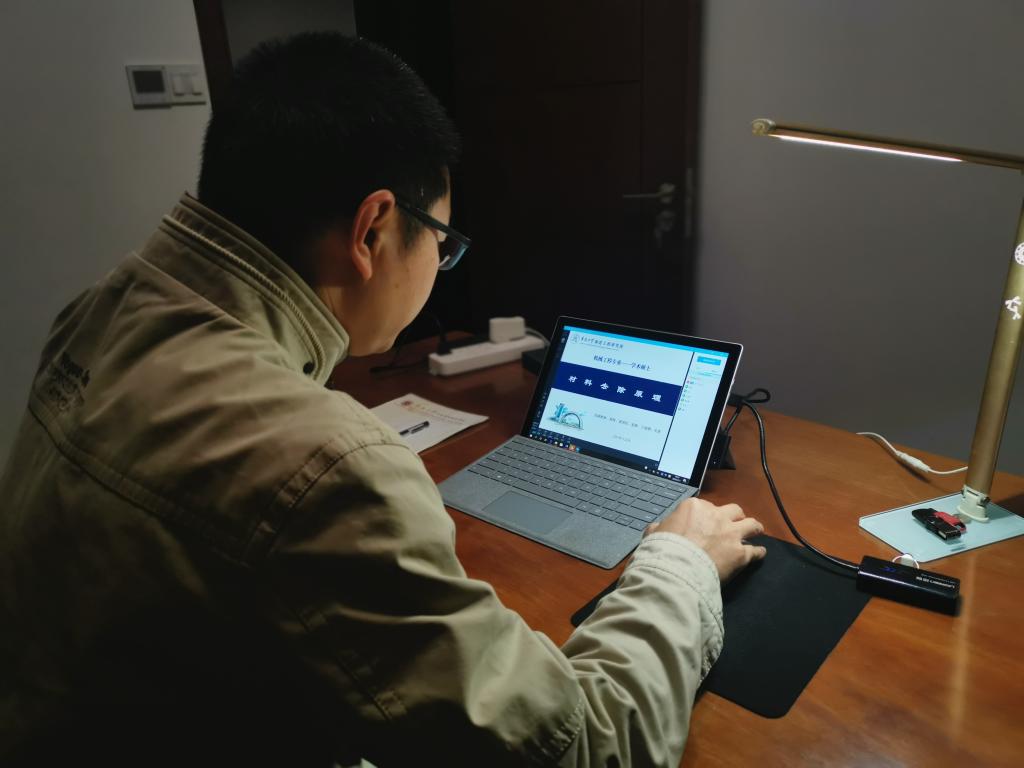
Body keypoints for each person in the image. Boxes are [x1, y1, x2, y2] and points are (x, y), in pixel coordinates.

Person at [0, 33, 766, 766]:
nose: (440, 263)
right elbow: (582, 751)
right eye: (443, 241)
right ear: (372, 229)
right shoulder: (327, 464)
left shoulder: (103, 310)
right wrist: (681, 564)